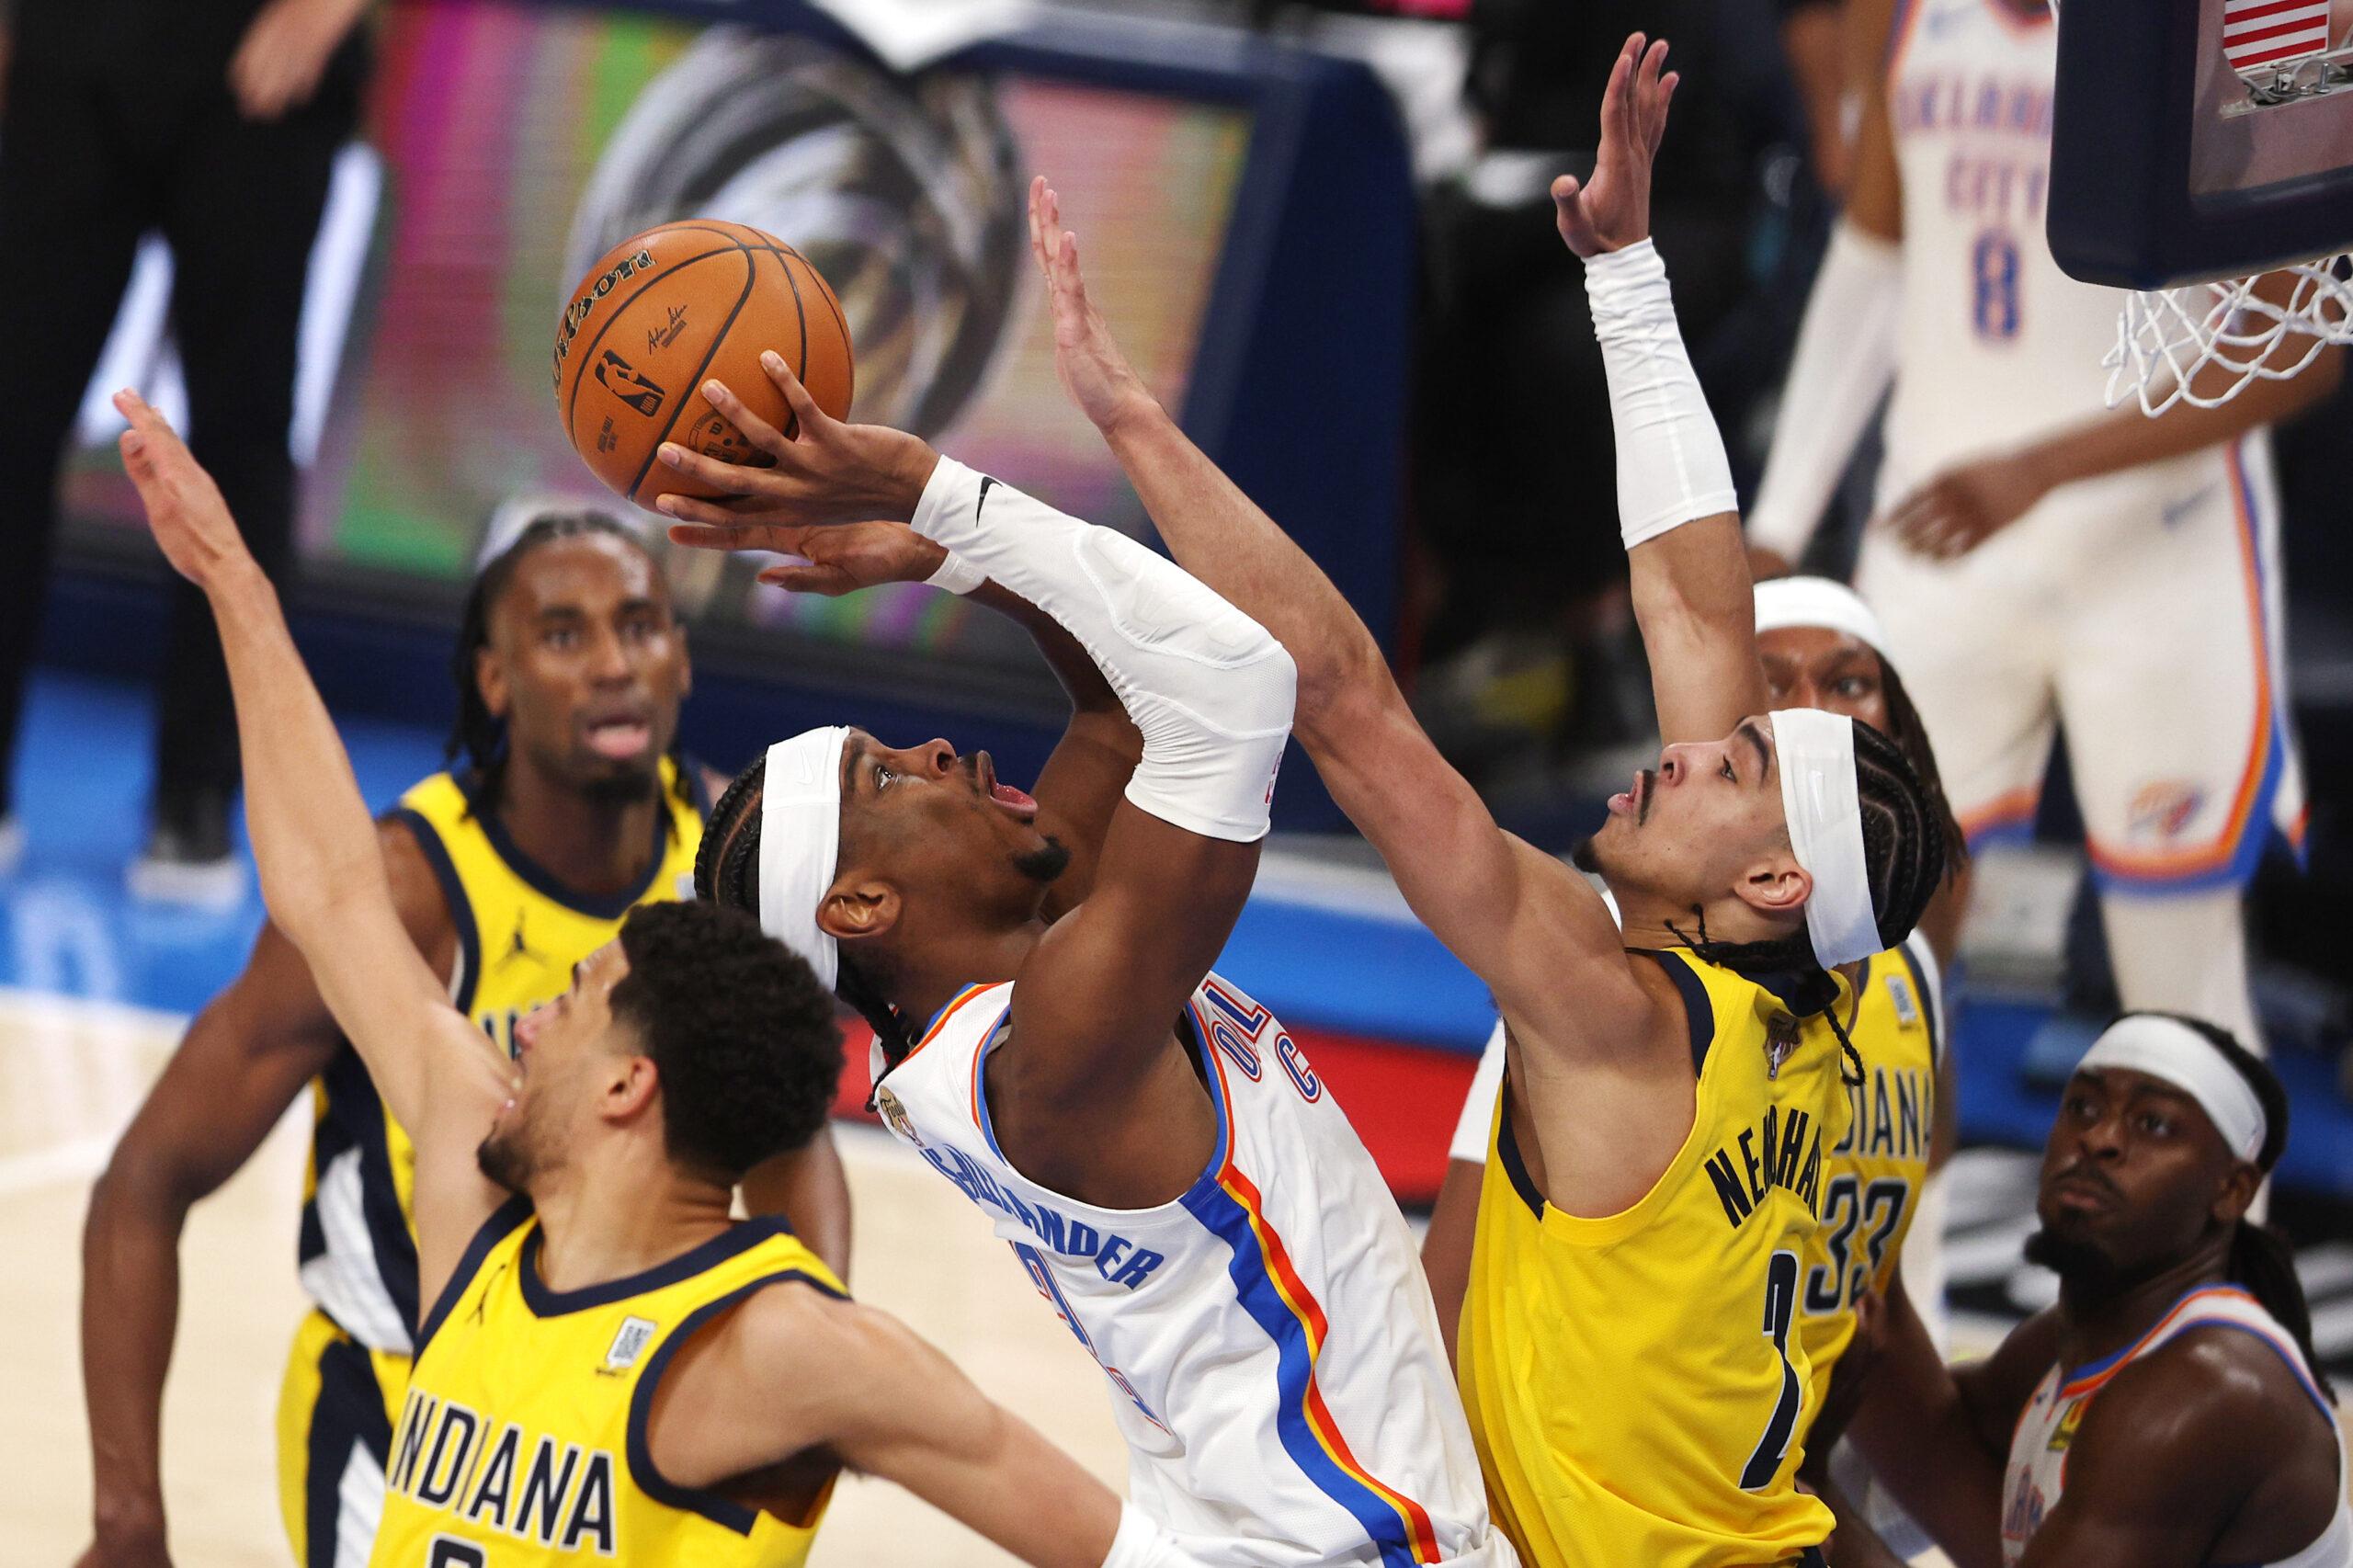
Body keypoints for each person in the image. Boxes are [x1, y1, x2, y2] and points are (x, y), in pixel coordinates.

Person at [1020, 35, 1948, 1564]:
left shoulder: (1615, 1007)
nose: (1693, 744)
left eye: (1740, 765)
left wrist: (1129, 429)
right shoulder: (1848, 993)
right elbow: (1696, 610)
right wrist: (1627, 278)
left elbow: (1344, 694)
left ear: (1775, 882)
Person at [108, 385, 1209, 1568]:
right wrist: (232, 580)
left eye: (567, 1005)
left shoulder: (781, 1347)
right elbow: (330, 895)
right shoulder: (477, 1247)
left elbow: (1130, 1553)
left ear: (630, 1084)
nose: (523, 1028)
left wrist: (960, 527)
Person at [654, 371, 1508, 1559]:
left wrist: (951, 559)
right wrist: (930, 488)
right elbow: (1236, 684)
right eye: (884, 776)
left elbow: (1118, 704)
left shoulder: (1008, 996)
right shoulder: (1058, 1047)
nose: (935, 747)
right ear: (860, 904)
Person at [77, 502, 850, 1567]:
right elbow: (144, 1180)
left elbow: (794, 1146)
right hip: (403, 1405)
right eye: (564, 633)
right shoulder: (408, 886)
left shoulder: (735, 863)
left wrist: (807, 1359)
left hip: (627, 1411)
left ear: (681, 656)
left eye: (639, 624)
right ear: (494, 678)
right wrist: (127, 1515)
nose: (613, 664)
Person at [1745, 0, 2347, 1053]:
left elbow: (2301, 350)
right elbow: (1872, 258)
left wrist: (2040, 468)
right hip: (1937, 539)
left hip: (2157, 557)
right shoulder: (1899, 12)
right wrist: (1781, 519)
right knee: (1876, 974)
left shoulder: (2257, 24)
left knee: (2178, 998)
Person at [1421, 575, 1967, 1364]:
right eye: (1771, 688)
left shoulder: (1909, 973)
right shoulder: (1608, 960)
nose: (1811, 712)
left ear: (1899, 732)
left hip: (1773, 1426)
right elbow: (1455, 1274)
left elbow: (1896, 1280)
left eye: (1848, 684)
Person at [0, 0, 376, 897]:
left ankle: (197, 798)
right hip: (69, 48)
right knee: (9, 413)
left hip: (260, 62)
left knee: (241, 435)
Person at [1845, 1012, 2350, 1568]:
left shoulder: (2206, 1393)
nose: (2099, 1139)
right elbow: (1930, 1448)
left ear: (2232, 1190)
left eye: (2153, 1124)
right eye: (2083, 1108)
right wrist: (1853, 1252)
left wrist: (1822, 1530)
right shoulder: (2066, 1345)